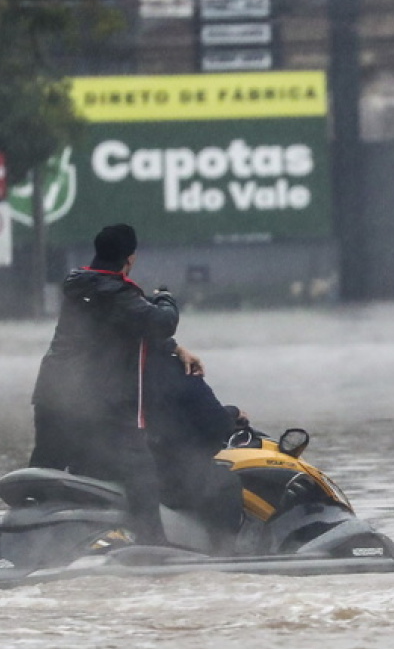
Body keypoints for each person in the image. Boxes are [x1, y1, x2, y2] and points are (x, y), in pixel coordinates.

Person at [29, 223, 181, 545]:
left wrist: (177, 350)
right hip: (99, 404)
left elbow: (114, 333)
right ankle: (154, 547)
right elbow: (161, 323)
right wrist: (166, 299)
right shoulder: (115, 292)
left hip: (53, 395)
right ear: (130, 258)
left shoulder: (78, 286)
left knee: (46, 475)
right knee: (141, 472)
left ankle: (32, 540)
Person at [141, 342, 244, 553]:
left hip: (112, 464)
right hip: (165, 477)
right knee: (224, 484)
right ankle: (224, 555)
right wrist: (233, 414)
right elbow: (216, 423)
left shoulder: (106, 366)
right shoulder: (176, 369)